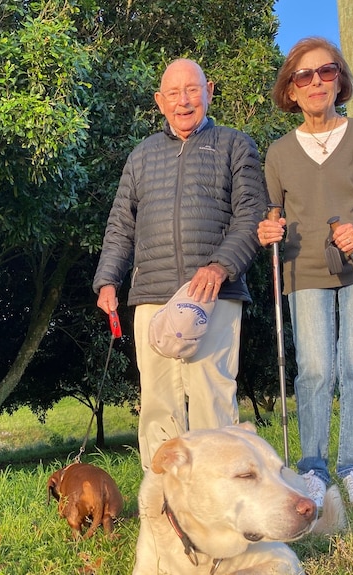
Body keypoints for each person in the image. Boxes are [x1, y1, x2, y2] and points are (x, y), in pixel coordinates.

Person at [93, 58, 266, 471]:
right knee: (157, 405)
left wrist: (220, 266)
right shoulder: (142, 155)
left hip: (215, 295)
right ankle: (164, 507)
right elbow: (121, 224)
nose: (184, 101)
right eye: (173, 93)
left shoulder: (235, 144)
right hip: (152, 295)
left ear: (209, 91)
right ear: (160, 101)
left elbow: (252, 215)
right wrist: (107, 280)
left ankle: (221, 508)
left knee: (213, 403)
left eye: (192, 90)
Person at [257, 37, 353, 507]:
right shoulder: (279, 153)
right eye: (304, 76)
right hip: (305, 268)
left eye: (326, 72)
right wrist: (268, 229)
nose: (316, 82)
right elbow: (273, 214)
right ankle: (313, 471)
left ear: (339, 79)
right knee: (315, 370)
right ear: (291, 90)